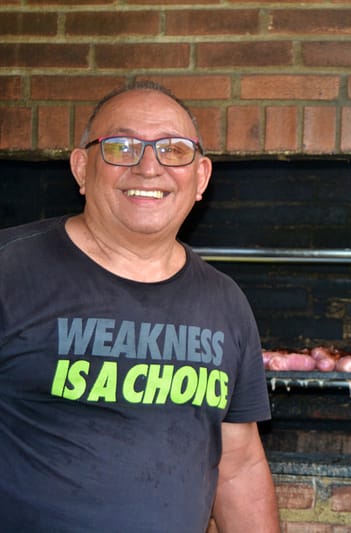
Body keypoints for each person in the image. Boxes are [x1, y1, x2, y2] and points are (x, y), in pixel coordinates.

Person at [0, 81, 280, 532]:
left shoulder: (224, 301)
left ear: (201, 177)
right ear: (81, 169)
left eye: (173, 150)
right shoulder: (9, 270)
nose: (149, 167)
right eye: (122, 146)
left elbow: (238, 466)